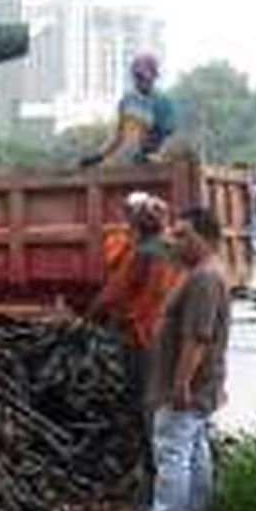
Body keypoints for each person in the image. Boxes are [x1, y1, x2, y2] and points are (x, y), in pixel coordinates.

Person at [121, 208, 230, 511]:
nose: (174, 241)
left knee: (171, 452)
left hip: (185, 384)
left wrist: (180, 383)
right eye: (174, 233)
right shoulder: (200, 272)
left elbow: (196, 337)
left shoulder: (203, 278)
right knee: (195, 450)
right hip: (197, 383)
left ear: (206, 238)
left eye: (183, 235)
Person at [89, 192, 180, 490]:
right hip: (171, 337)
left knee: (147, 405)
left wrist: (87, 317)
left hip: (144, 337)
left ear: (138, 225)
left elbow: (115, 291)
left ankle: (157, 478)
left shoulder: (144, 252)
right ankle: (171, 475)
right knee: (168, 406)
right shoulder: (175, 249)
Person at [81, 54, 177, 168]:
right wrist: (98, 157)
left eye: (143, 76)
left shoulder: (162, 101)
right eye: (137, 76)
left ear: (154, 76)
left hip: (152, 165)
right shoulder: (127, 101)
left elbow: (168, 137)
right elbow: (118, 136)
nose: (140, 80)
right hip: (127, 162)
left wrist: (155, 156)